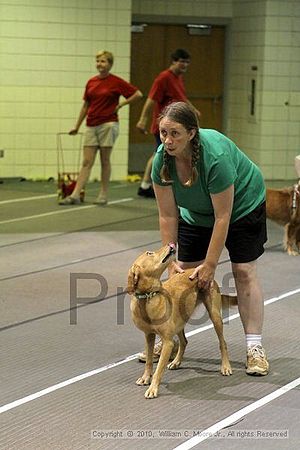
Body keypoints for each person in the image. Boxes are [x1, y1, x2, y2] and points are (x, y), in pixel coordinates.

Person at [138, 101, 269, 376]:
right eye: (163, 133)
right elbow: (167, 216)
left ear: (192, 133)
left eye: (175, 133)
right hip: (197, 213)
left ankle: (254, 348)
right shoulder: (162, 159)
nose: (168, 140)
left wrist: (210, 265)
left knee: (243, 271)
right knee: (182, 274)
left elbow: (223, 217)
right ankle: (168, 338)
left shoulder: (215, 157)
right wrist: (169, 256)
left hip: (243, 206)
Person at [59, 50, 142, 205]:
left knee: (105, 160)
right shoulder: (91, 82)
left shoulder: (116, 81)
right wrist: (76, 126)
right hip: (91, 124)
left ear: (110, 64)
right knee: (86, 161)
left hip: (108, 124)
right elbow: (86, 105)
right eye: (98, 61)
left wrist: (122, 104)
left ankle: (103, 194)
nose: (100, 64)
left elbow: (138, 94)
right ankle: (75, 194)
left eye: (103, 61)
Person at [136, 48, 200, 198]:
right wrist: (142, 120)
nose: (184, 65)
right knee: (160, 154)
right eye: (181, 62)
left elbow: (182, 98)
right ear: (174, 61)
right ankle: (147, 184)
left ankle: (146, 184)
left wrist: (193, 109)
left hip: (177, 125)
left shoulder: (179, 78)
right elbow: (151, 99)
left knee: (160, 153)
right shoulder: (163, 78)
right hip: (165, 127)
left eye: (187, 63)